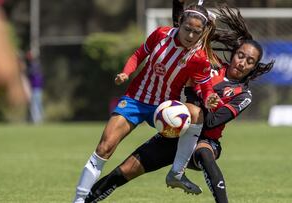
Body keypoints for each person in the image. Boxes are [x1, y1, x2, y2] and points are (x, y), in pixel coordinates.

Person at [84, 4, 274, 203]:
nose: (242, 63)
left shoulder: (244, 94)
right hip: (176, 132)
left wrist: (196, 104)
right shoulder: (209, 64)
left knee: (204, 154)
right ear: (234, 54)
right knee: (124, 171)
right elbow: (181, 28)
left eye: (250, 61)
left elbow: (212, 122)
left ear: (254, 68)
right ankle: (84, 201)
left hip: (205, 140)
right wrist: (179, 4)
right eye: (240, 56)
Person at [72, 4, 220, 203]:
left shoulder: (199, 57)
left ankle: (177, 171)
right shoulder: (160, 34)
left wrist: (209, 95)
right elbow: (139, 55)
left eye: (197, 32)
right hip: (135, 100)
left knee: (195, 113)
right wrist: (126, 72)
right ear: (179, 23)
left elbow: (205, 85)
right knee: (104, 148)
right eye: (188, 29)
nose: (191, 36)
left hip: (164, 109)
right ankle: (79, 199)